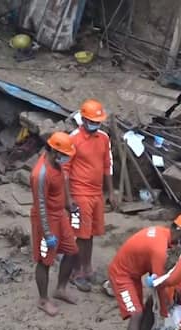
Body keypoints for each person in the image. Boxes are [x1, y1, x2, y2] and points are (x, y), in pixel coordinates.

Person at [64, 99, 117, 292]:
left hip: (96, 193)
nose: (96, 125)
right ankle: (76, 272)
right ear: (84, 119)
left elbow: (107, 164)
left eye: (98, 122)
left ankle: (87, 268)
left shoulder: (103, 138)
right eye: (93, 121)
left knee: (91, 233)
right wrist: (68, 198)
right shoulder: (74, 139)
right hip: (79, 193)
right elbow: (65, 170)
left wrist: (110, 192)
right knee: (80, 234)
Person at [30, 132, 79, 317]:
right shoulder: (40, 175)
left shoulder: (57, 165)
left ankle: (61, 288)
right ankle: (43, 299)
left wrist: (68, 203)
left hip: (59, 215)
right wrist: (47, 233)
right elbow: (40, 204)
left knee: (72, 251)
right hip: (46, 219)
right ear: (54, 151)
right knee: (45, 261)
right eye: (64, 154)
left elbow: (62, 184)